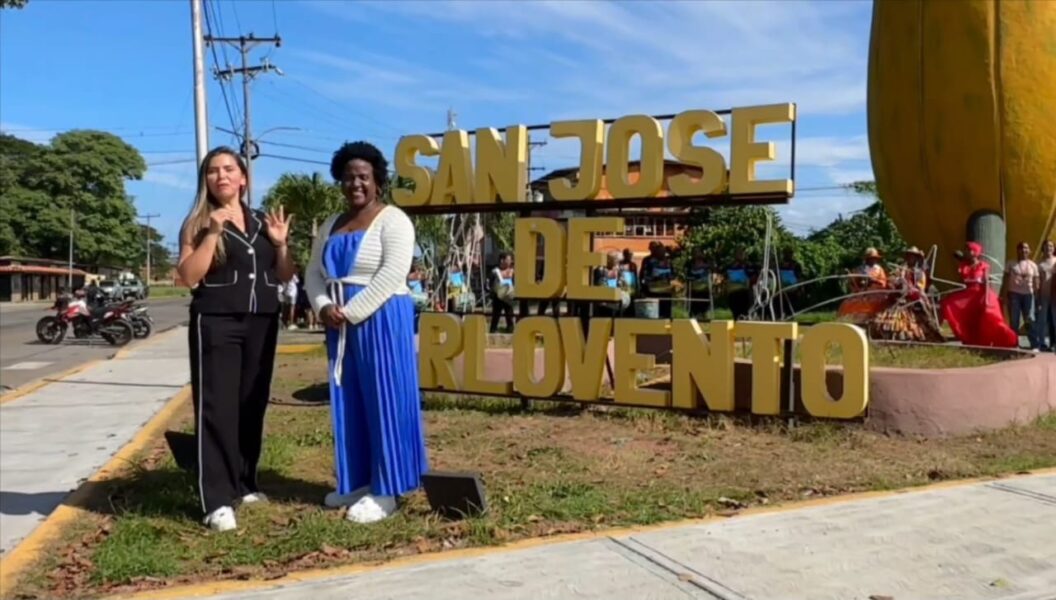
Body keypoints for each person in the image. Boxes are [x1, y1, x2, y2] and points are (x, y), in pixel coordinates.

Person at [305, 141, 427, 524]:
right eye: (348, 177)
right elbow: (313, 273)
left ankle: (388, 488)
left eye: (362, 177)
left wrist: (351, 312)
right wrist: (323, 306)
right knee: (350, 400)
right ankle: (358, 480)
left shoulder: (394, 219)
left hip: (382, 318)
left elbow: (393, 272)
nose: (355, 184)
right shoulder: (331, 224)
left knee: (386, 399)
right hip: (339, 322)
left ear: (377, 180)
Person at [176, 146, 296, 531]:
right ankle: (216, 499)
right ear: (206, 180)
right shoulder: (197, 223)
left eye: (229, 169)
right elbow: (188, 276)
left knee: (251, 402)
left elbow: (284, 275)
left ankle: (245, 482)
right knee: (217, 407)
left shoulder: (262, 221)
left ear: (243, 178)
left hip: (262, 320)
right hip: (217, 321)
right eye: (213, 171)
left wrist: (281, 244)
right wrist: (212, 234)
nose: (221, 176)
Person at [941, 242, 1018, 348]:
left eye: (968, 250)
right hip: (968, 294)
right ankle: (970, 339)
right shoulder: (964, 266)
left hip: (980, 293)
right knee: (948, 304)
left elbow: (986, 282)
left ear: (974, 252)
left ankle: (1007, 338)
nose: (966, 252)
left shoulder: (983, 266)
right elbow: (961, 282)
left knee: (990, 317)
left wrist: (986, 298)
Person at [869, 247, 943, 342]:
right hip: (898, 297)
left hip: (913, 299)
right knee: (885, 313)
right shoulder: (899, 270)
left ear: (916, 258)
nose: (910, 258)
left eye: (912, 256)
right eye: (908, 256)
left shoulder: (919, 273)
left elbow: (920, 287)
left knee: (922, 312)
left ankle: (917, 332)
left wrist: (909, 288)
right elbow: (891, 280)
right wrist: (894, 284)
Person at [837, 247, 892, 326]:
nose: (873, 260)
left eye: (874, 258)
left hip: (876, 293)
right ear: (866, 259)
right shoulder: (859, 269)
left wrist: (874, 281)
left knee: (879, 305)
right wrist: (860, 282)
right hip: (862, 293)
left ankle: (875, 323)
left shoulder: (879, 269)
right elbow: (854, 283)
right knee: (850, 304)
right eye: (871, 258)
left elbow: (884, 282)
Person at [1003, 241, 1040, 349]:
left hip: (1028, 295)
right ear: (1018, 250)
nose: (1024, 250)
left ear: (1029, 251)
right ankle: (1014, 343)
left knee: (1030, 319)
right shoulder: (1011, 263)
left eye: (1026, 248)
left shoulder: (1033, 265)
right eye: (1021, 248)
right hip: (1014, 294)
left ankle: (1034, 344)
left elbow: (1036, 282)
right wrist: (1004, 295)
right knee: (1014, 320)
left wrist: (1037, 298)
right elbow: (1005, 280)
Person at [1035, 240, 1055, 351]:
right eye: (1046, 246)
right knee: (1042, 321)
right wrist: (1037, 296)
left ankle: (1054, 344)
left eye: (1051, 246)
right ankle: (1041, 343)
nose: (1049, 248)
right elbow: (1037, 281)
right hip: (1043, 296)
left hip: (1055, 297)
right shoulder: (1039, 264)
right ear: (1043, 248)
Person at [489, 251, 516, 333]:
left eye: (510, 260)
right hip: (498, 296)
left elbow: (514, 282)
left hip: (508, 296)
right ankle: (493, 329)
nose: (510, 261)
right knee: (496, 315)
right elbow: (491, 284)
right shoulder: (495, 271)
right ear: (502, 260)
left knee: (509, 314)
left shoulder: (512, 271)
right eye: (508, 259)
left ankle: (510, 328)